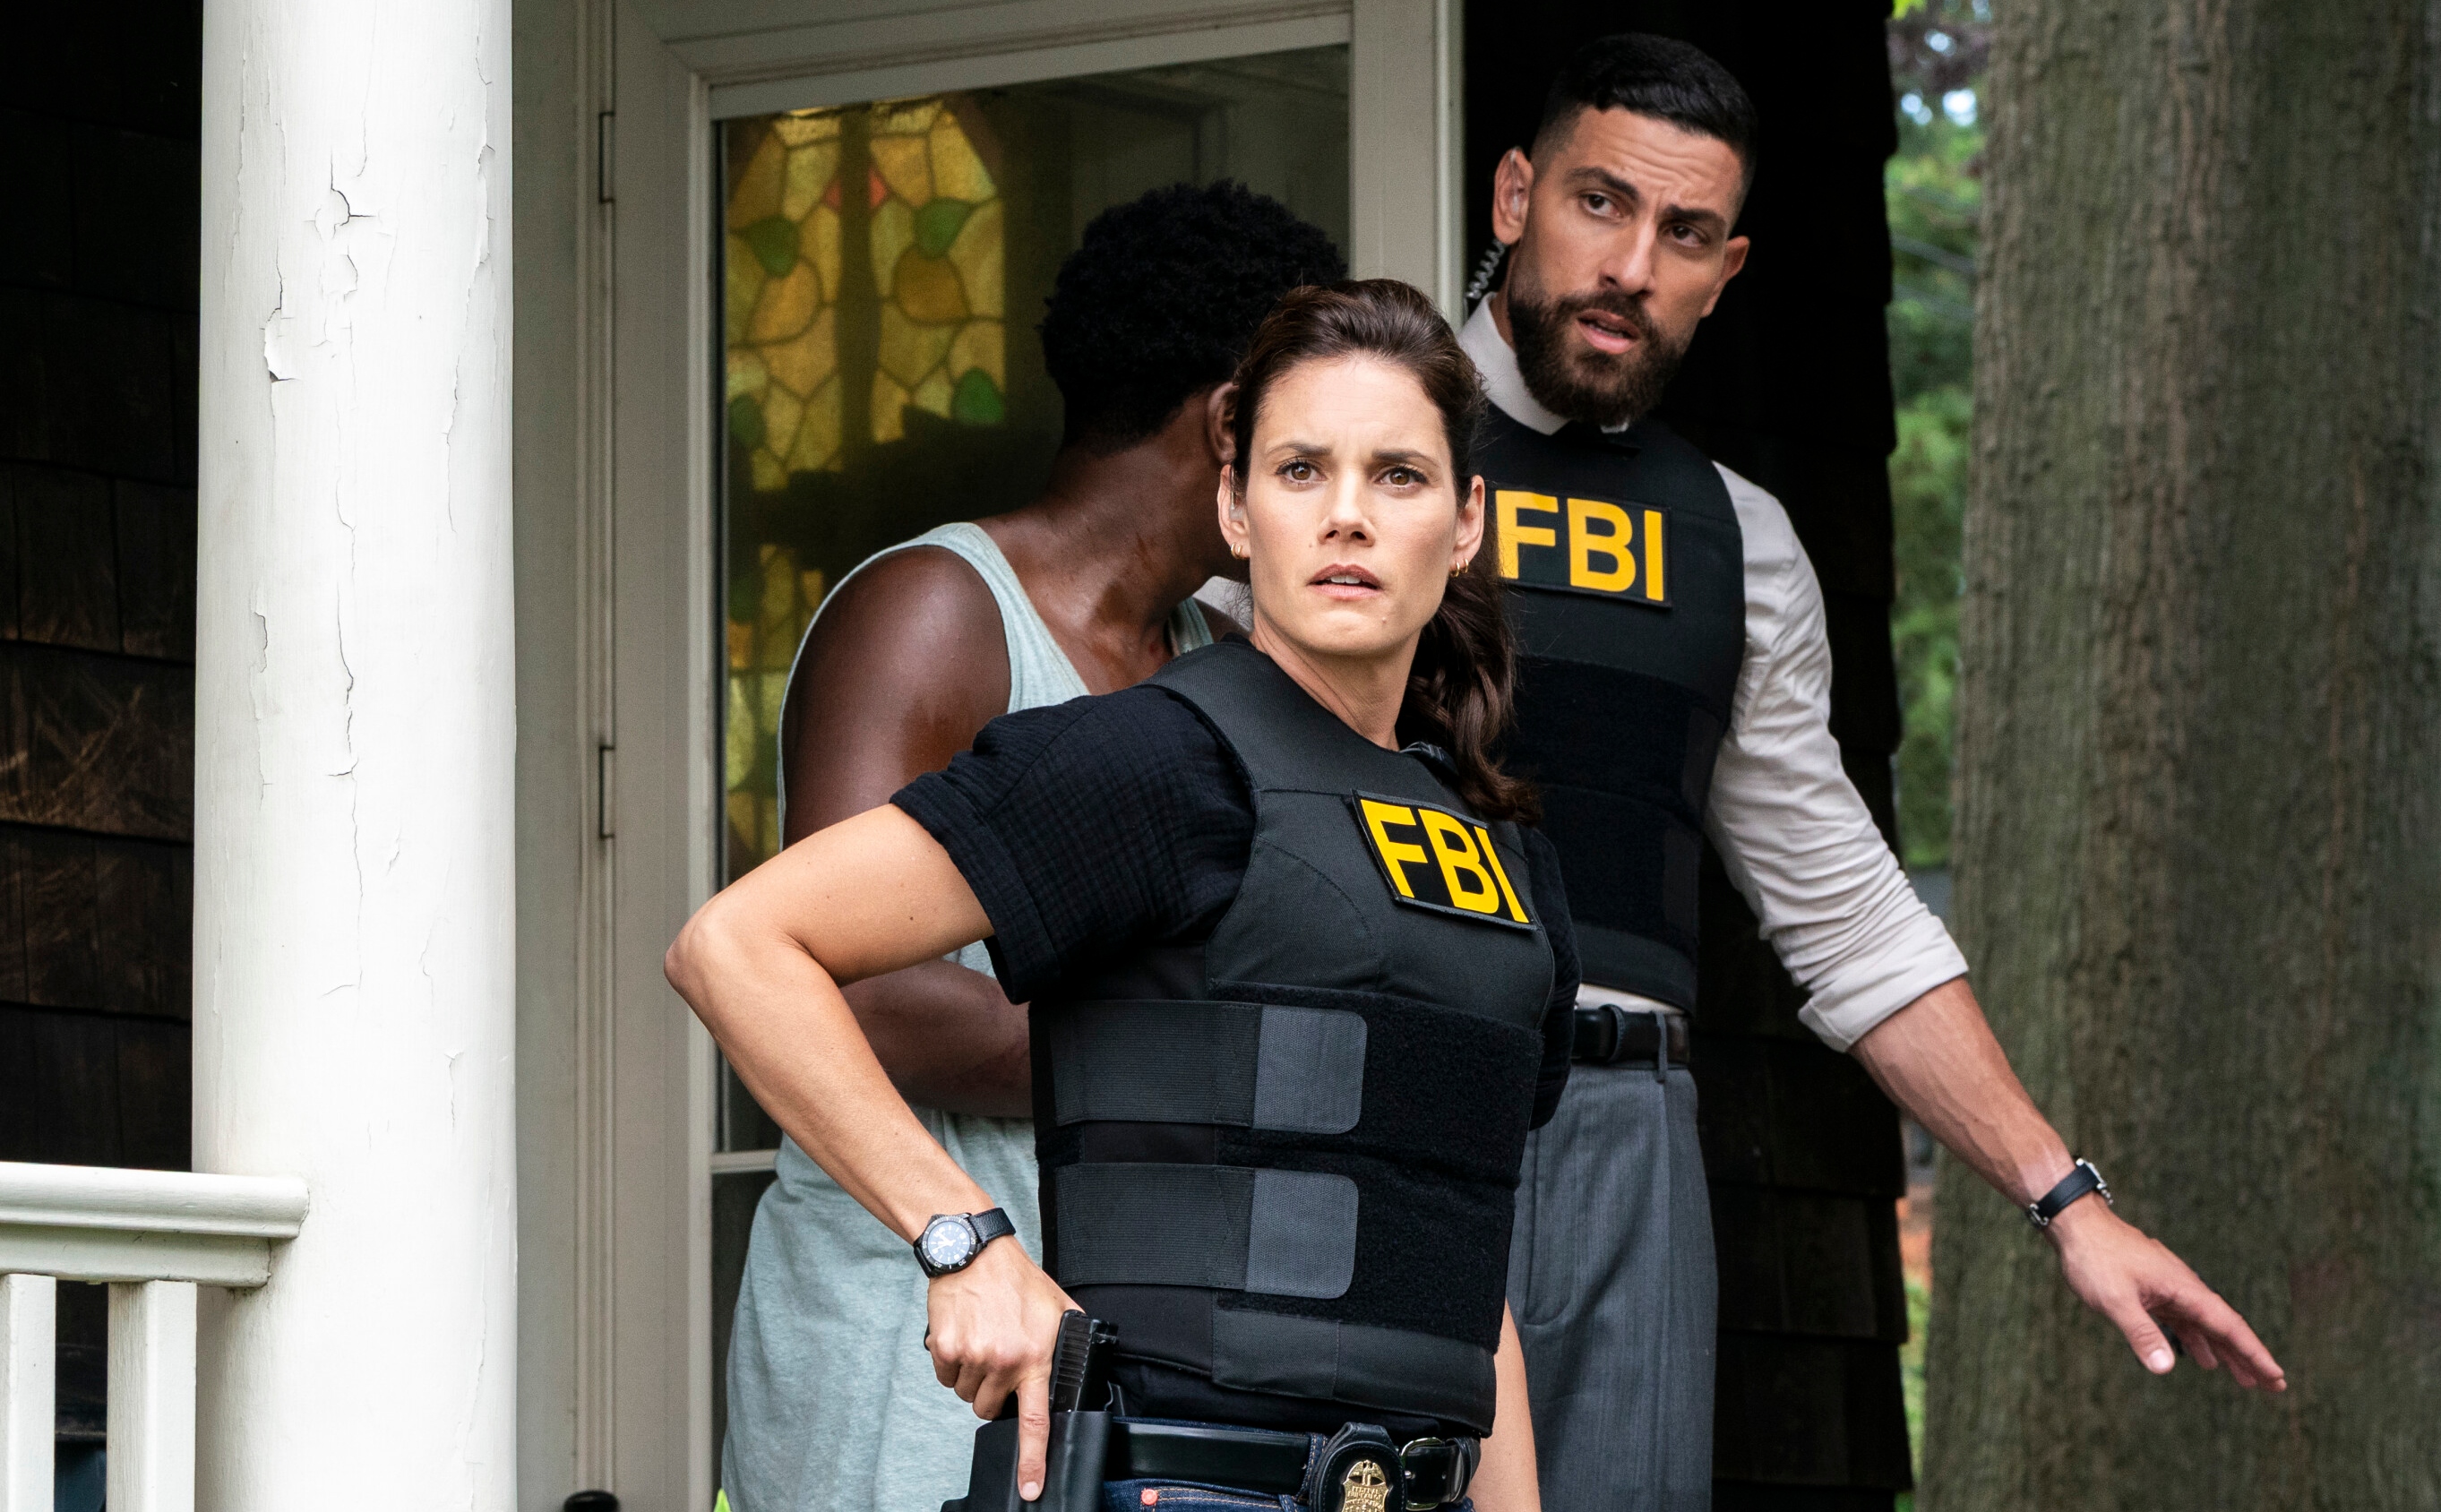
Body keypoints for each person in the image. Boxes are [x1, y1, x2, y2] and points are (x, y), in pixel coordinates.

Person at [1469, 36, 2290, 1511]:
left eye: (1686, 234)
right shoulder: (1346, 440)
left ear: (1728, 273)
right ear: (1514, 197)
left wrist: (2068, 1201)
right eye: (1599, 203)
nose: (1631, 264)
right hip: (1374, 1095)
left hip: (1624, 1138)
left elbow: (1845, 913)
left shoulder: (1736, 538)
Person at [675, 280, 1567, 1512]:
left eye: (1399, 477)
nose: (1348, 517)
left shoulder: (1493, 845)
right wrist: (960, 1237)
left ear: (1466, 521)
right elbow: (739, 945)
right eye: (1301, 471)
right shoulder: (1160, 758)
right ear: (1234, 507)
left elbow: (1465, 1268)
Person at [720, 183, 1345, 1512]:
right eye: (1304, 438)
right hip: (905, 1327)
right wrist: (1192, 1053)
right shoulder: (935, 612)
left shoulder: (1216, 661)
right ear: (1231, 422)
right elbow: (855, 989)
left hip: (1102, 1350)